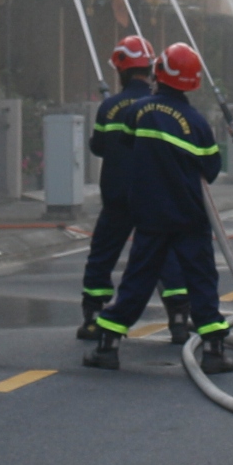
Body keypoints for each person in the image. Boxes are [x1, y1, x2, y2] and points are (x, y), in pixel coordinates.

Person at [82, 41, 233, 375]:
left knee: (137, 281)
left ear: (159, 74)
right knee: (202, 280)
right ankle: (213, 351)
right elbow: (210, 168)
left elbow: (123, 144)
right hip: (190, 217)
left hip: (149, 214)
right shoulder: (197, 123)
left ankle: (108, 345)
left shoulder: (137, 112)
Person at [76, 35, 156, 342]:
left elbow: (98, 147)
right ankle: (178, 317)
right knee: (162, 254)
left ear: (121, 70)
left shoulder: (108, 107)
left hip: (117, 197)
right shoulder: (156, 106)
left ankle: (93, 318)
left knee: (102, 255)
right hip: (151, 198)